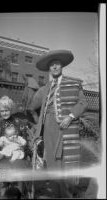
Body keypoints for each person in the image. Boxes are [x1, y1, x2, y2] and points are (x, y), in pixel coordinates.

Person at [29, 49, 88, 198]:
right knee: (51, 160)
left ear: (62, 67)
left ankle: (67, 193)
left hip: (65, 126)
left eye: (57, 64)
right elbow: (35, 107)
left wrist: (70, 116)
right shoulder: (46, 88)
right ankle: (56, 192)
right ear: (49, 68)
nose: (54, 67)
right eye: (52, 65)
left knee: (65, 160)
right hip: (48, 126)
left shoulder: (73, 83)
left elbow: (83, 103)